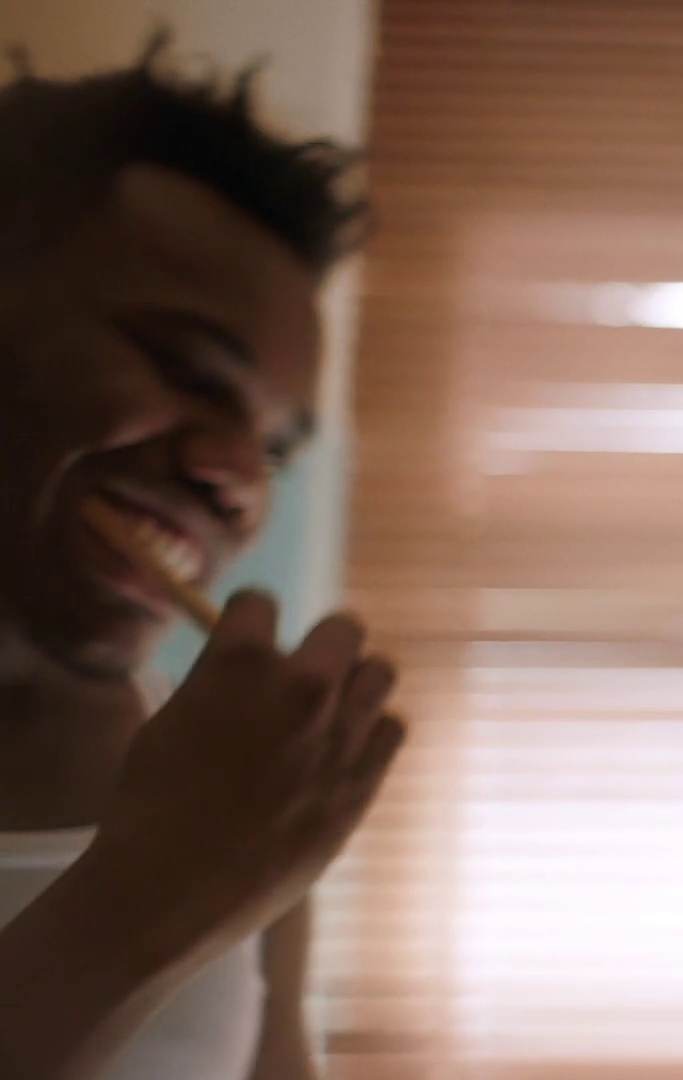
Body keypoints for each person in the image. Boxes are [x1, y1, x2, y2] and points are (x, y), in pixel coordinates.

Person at [0, 37, 403, 1080]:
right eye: (185, 368)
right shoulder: (217, 826)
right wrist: (144, 905)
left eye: (274, 449)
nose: (237, 480)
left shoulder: (230, 789)